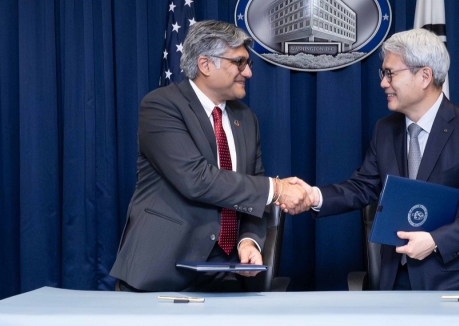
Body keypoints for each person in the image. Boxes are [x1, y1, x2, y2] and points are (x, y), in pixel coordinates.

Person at [285, 28, 459, 291]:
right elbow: (362, 187)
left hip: (457, 281)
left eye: (390, 73)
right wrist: (314, 196)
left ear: (424, 76)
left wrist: (436, 240)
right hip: (396, 280)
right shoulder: (385, 129)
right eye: (384, 74)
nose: (383, 83)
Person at [110, 20, 310, 292]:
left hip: (225, 273)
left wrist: (248, 241)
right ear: (205, 65)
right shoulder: (161, 106)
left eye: (248, 64)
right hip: (161, 271)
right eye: (239, 63)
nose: (248, 72)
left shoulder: (246, 118)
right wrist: (277, 189)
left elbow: (253, 190)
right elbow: (196, 179)